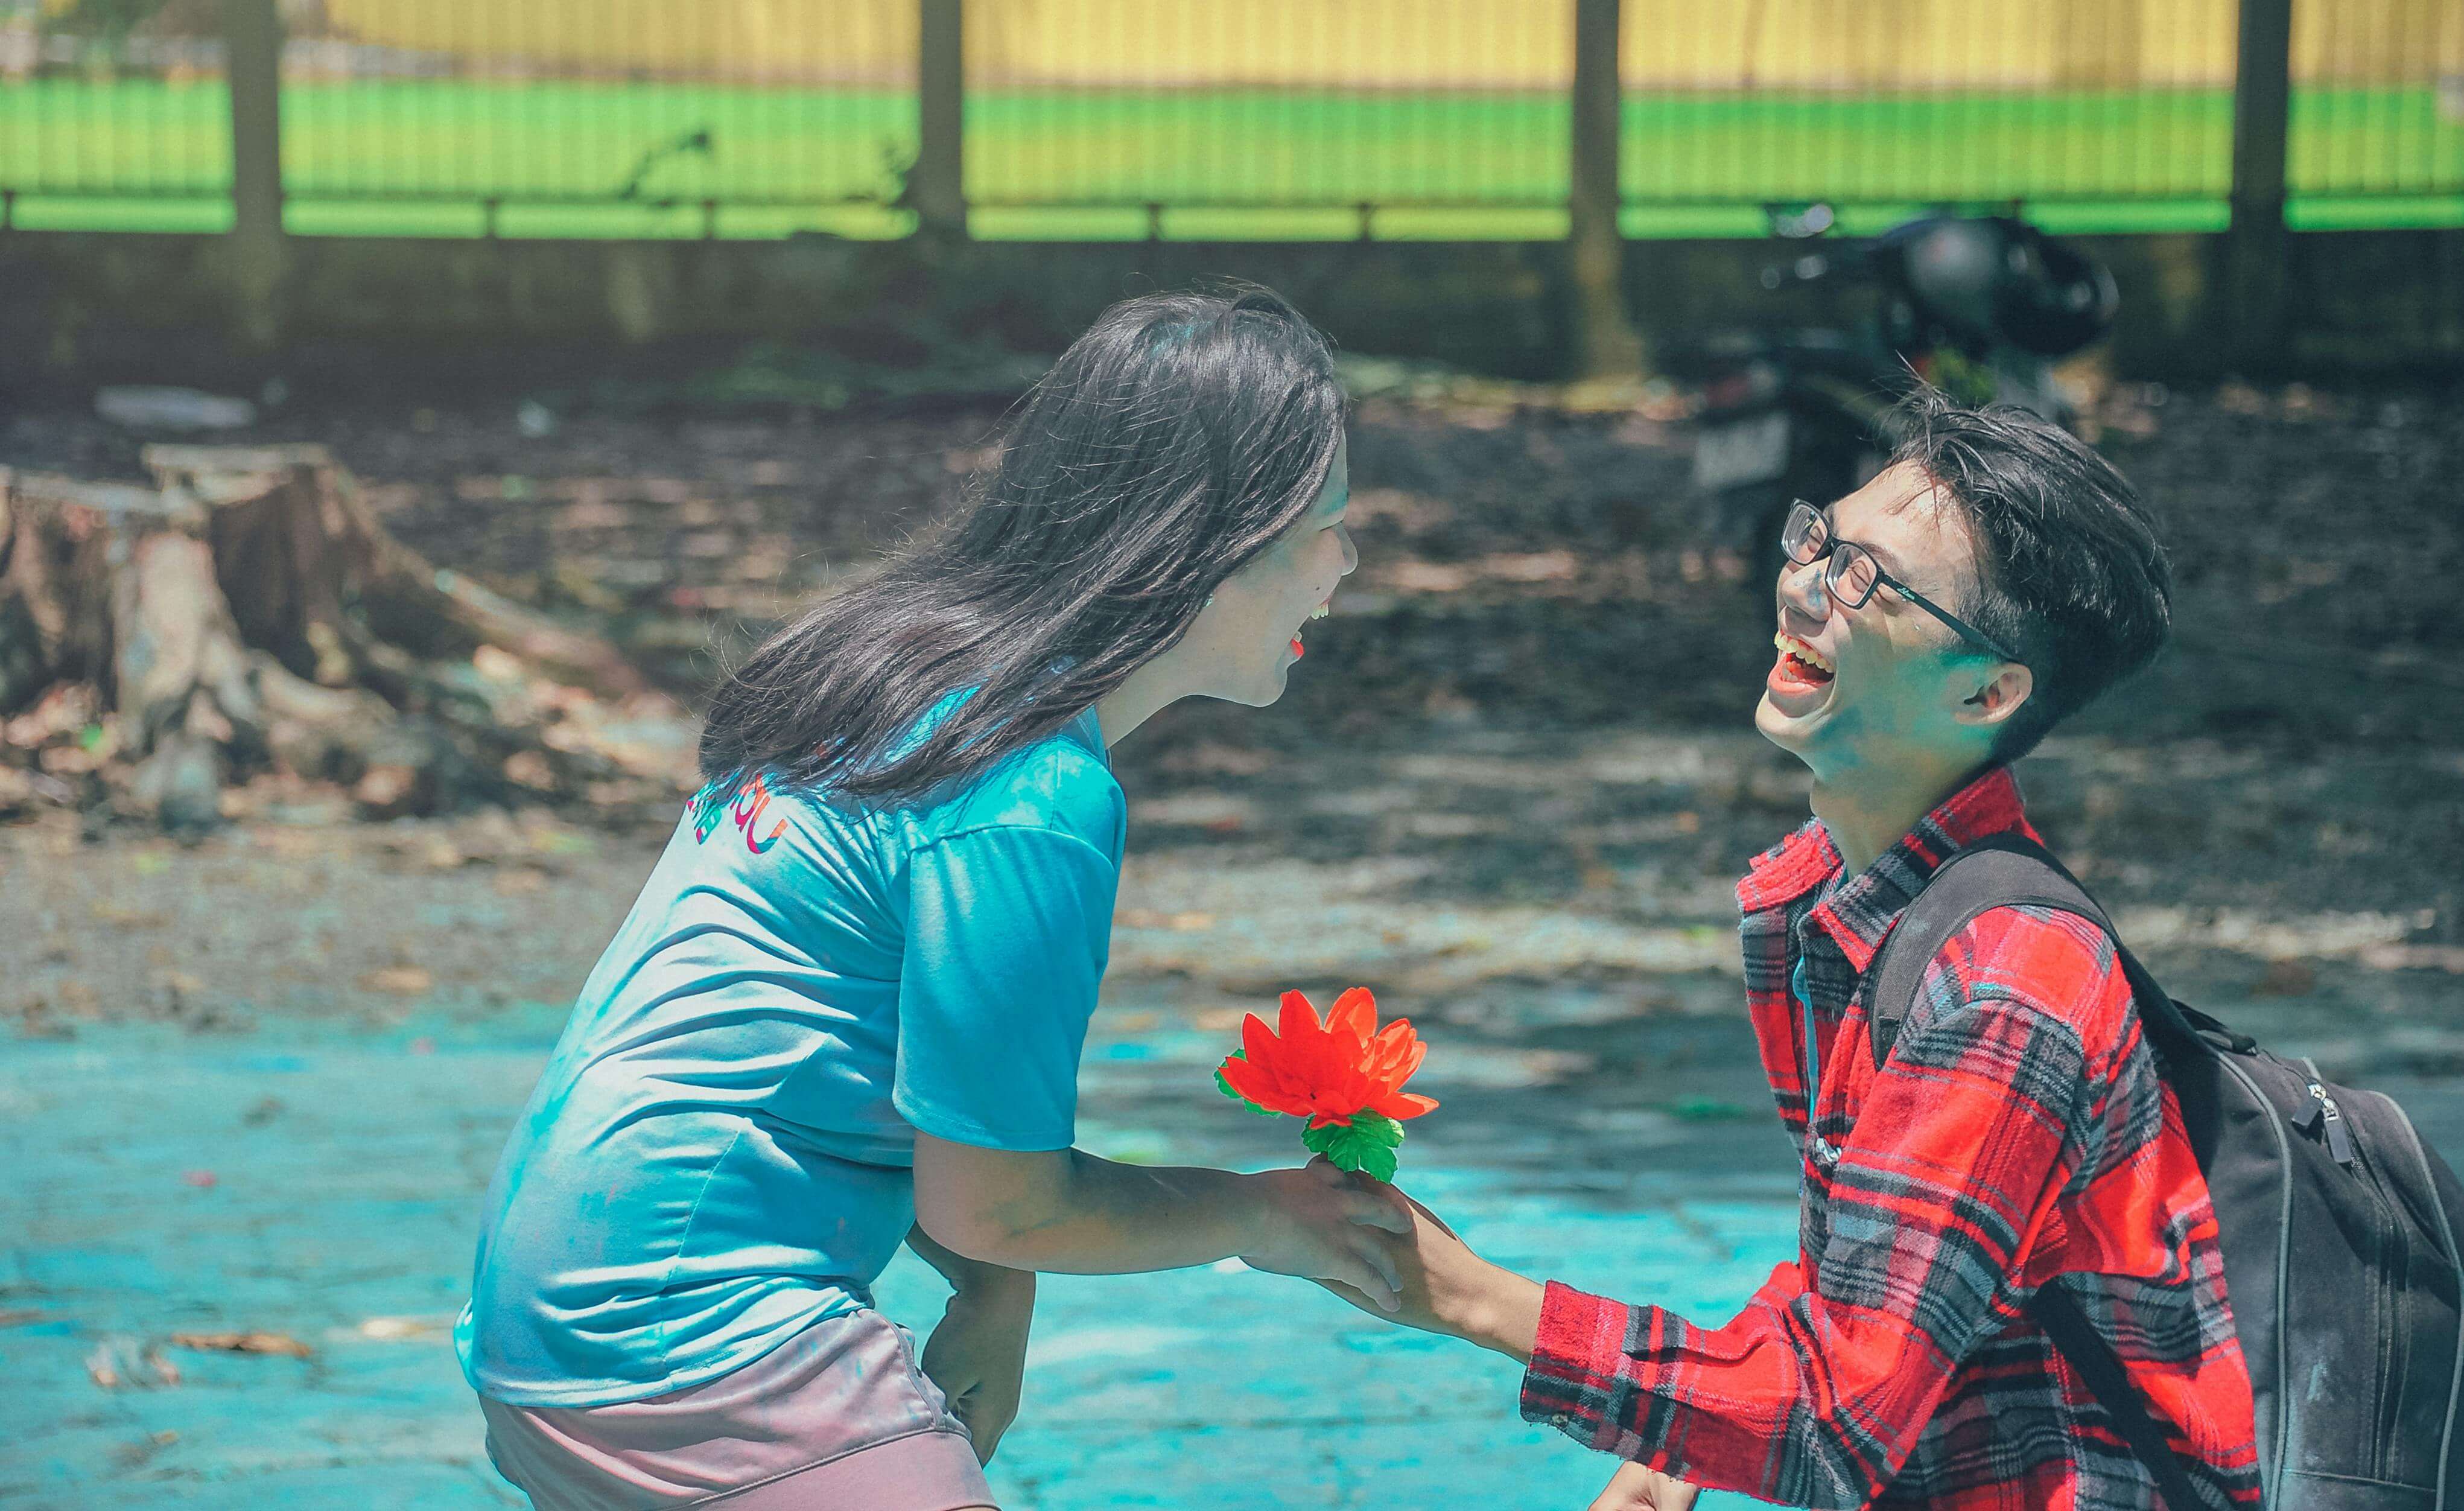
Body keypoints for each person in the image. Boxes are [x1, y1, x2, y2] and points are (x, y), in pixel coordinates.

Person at [454, 287, 1409, 1511]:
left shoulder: (897, 673)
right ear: (1210, 543)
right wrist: (1263, 1215)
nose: (1348, 561)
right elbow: (1000, 1198)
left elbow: (870, 1067)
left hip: (555, 1295)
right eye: (1323, 523)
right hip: (690, 1340)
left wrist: (991, 1289)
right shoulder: (1028, 795)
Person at [1330, 392, 2264, 1511]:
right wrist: (1682, 1446)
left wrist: (1471, 1298)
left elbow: (1833, 1426)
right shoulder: (1831, 898)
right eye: (1822, 538)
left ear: (1988, 692)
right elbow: (1870, 1272)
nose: (1808, 584)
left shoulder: (2012, 985)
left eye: (1872, 580)